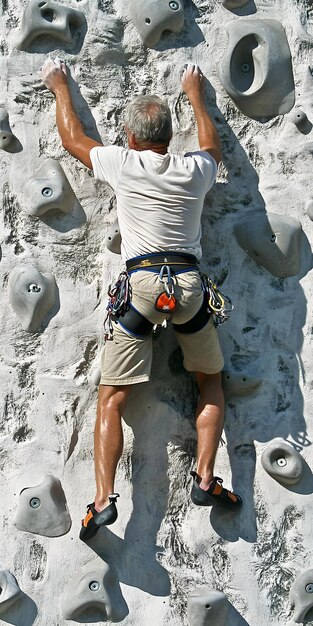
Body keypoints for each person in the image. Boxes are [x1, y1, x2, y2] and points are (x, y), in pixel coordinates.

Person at [41, 59, 242, 540]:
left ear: (130, 138)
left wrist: (60, 86)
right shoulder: (193, 171)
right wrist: (194, 93)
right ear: (169, 139)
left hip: (142, 288)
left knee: (111, 400)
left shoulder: (123, 163)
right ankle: (207, 477)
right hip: (189, 288)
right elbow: (212, 145)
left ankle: (103, 501)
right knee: (210, 382)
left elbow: (74, 140)